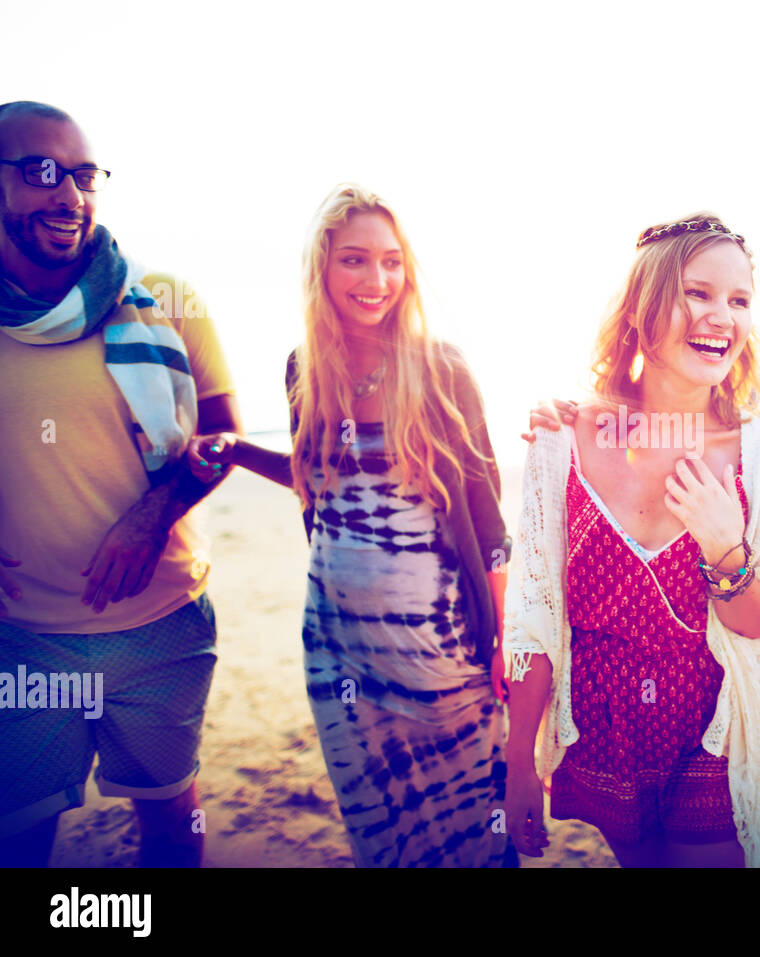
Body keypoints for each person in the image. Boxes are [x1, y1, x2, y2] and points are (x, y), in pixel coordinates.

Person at [187, 184, 515, 867]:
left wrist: (501, 637)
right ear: (322, 268)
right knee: (382, 836)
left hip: (442, 646)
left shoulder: (443, 368)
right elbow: (323, 480)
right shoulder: (306, 367)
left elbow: (488, 516)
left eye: (392, 262)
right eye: (356, 261)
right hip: (336, 645)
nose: (378, 280)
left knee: (476, 834)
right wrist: (239, 451)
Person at [505, 214, 760, 867]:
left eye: (740, 300)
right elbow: (532, 616)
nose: (721, 315)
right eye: (698, 292)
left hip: (716, 725)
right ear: (643, 305)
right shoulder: (562, 441)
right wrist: (519, 758)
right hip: (603, 725)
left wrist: (727, 550)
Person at [0, 101, 239, 867]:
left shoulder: (164, 299)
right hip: (23, 641)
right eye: (42, 172)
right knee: (20, 834)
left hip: (161, 622)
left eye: (82, 174)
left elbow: (222, 438)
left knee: (171, 820)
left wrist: (150, 517)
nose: (69, 194)